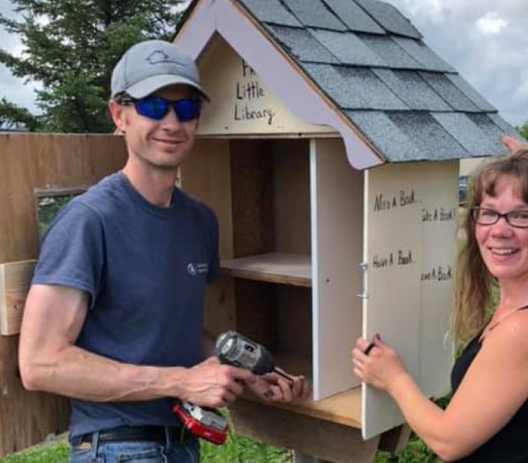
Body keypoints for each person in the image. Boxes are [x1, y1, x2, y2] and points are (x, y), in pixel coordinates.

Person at [18, 39, 309, 463]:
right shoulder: (89, 220)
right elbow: (40, 363)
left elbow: (179, 332)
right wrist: (183, 382)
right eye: (154, 106)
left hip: (180, 444)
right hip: (116, 446)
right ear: (119, 114)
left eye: (186, 108)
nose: (172, 122)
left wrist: (246, 375)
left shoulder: (199, 221)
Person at [352, 145, 528, 462]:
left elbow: (448, 441)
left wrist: (393, 378)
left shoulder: (527, 330)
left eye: (521, 215)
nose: (499, 230)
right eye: (488, 212)